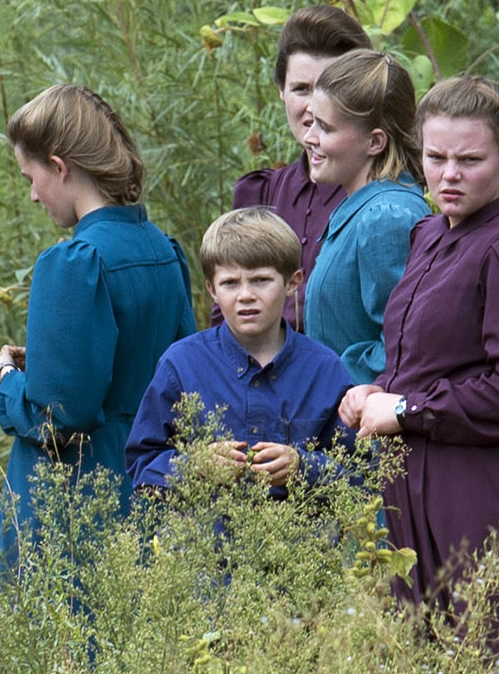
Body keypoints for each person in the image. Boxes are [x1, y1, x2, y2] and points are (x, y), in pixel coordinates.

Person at [341, 76, 499, 610]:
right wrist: (377, 390)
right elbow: (428, 359)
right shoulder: (429, 233)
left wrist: (406, 409)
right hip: (413, 486)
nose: (449, 175)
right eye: (435, 157)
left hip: (480, 491)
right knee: (425, 653)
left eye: (469, 160)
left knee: (494, 650)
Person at [0, 85, 192, 535]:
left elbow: (57, 419)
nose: (34, 196)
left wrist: (0, 376)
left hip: (80, 495)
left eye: (31, 177)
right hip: (150, 482)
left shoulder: (76, 263)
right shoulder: (164, 251)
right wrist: (48, 366)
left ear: (59, 166)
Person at [127, 209, 359, 495]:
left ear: (292, 282)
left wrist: (303, 467)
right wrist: (195, 466)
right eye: (230, 283)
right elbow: (142, 463)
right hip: (205, 524)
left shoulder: (324, 369)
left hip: (298, 524)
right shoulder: (181, 365)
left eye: (261, 280)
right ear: (212, 289)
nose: (245, 295)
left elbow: (359, 472)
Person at [295, 49, 428, 376]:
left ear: (375, 142)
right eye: (311, 123)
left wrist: (336, 384)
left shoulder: (386, 217)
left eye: (325, 128)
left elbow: (402, 345)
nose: (309, 138)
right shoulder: (363, 204)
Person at [230, 3, 369, 306]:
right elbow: (226, 314)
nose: (314, 107)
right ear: (281, 90)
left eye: (331, 89)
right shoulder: (258, 194)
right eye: (302, 89)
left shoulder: (383, 205)